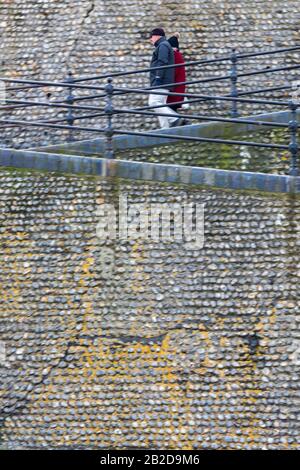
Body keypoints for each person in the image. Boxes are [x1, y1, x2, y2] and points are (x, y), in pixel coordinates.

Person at [148, 28, 183, 129]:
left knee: (153, 102)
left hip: (161, 81)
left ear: (157, 36)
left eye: (151, 36)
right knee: (160, 104)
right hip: (164, 81)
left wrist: (158, 77)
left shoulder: (163, 45)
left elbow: (162, 62)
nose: (150, 39)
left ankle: (175, 119)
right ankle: (165, 130)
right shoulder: (164, 45)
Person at [167, 33, 187, 113]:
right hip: (177, 89)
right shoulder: (177, 55)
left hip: (174, 89)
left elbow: (172, 72)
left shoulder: (175, 56)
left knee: (171, 110)